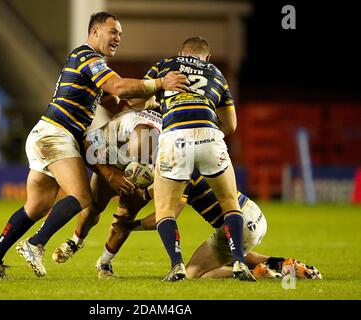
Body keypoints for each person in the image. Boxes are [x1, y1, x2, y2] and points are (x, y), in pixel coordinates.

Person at [0, 11, 189, 279]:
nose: (118, 38)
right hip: (56, 134)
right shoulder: (88, 56)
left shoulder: (87, 62)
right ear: (95, 31)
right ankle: (34, 244)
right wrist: (159, 83)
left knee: (37, 206)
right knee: (81, 197)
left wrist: (136, 97)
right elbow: (119, 87)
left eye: (121, 34)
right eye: (113, 32)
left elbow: (116, 94)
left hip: (47, 133)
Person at [143, 37, 253, 281]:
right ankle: (239, 263)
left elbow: (138, 96)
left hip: (174, 136)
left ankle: (176, 265)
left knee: (165, 209)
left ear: (181, 53)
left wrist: (157, 100)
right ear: (208, 57)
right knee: (229, 201)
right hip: (209, 133)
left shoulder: (165, 64)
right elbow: (232, 125)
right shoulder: (215, 72)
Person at [114, 171, 322, 281]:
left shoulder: (180, 174)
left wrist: (131, 226)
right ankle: (282, 264)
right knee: (235, 252)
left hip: (240, 224)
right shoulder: (198, 162)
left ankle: (257, 273)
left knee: (193, 273)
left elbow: (168, 215)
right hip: (255, 214)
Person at [51, 105, 161, 278]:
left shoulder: (171, 142)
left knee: (124, 219)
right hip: (112, 161)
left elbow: (172, 186)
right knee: (93, 207)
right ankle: (75, 242)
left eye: (143, 159)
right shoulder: (122, 124)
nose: (137, 162)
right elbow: (85, 144)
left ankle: (105, 263)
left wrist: (146, 192)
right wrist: (108, 173)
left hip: (148, 176)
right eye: (137, 157)